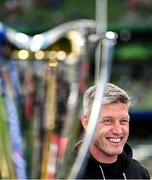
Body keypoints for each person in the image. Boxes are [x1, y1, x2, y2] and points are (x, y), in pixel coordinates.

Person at [75, 83, 150, 179]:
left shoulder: (139, 173)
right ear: (87, 123)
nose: (118, 131)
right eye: (108, 121)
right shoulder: (68, 173)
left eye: (123, 121)